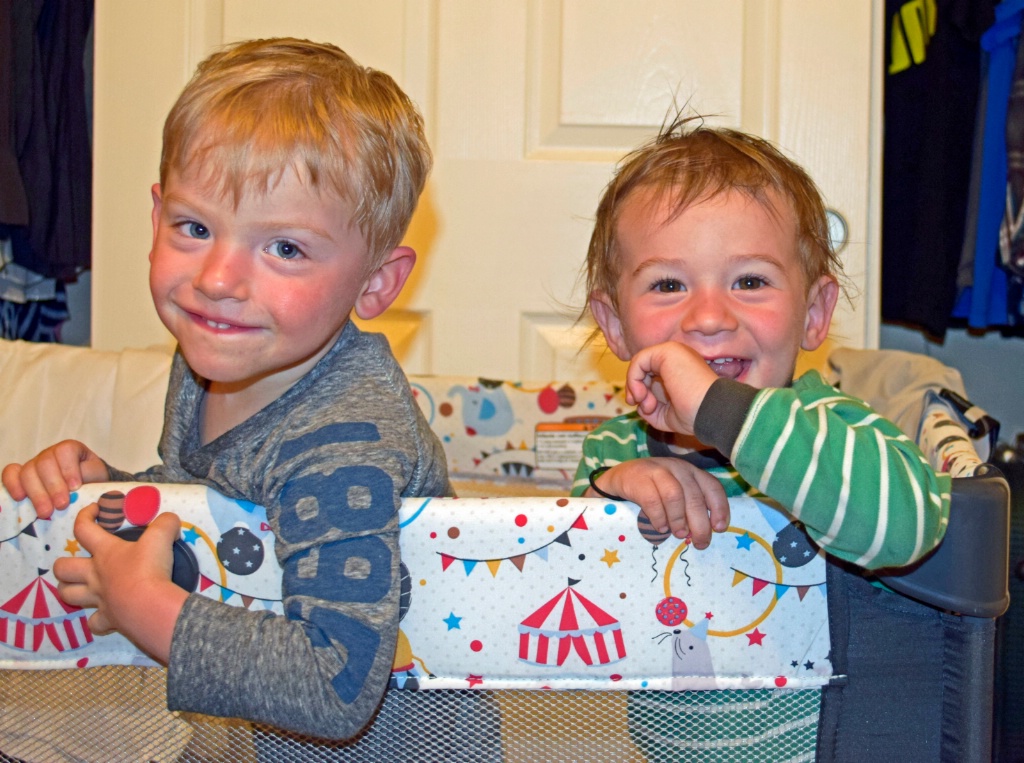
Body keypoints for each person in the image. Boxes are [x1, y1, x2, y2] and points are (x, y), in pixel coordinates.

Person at [1, 38, 451, 742]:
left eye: (285, 248)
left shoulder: (343, 443)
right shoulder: (213, 357)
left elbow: (336, 684)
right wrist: (115, 493)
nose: (217, 278)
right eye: (195, 227)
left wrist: (142, 602)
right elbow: (218, 505)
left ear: (376, 283)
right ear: (156, 218)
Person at [571, 115, 952, 761]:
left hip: (836, 745)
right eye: (669, 284)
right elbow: (568, 583)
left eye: (750, 280)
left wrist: (726, 412)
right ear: (613, 323)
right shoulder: (617, 449)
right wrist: (612, 493)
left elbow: (906, 526)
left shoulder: (837, 426)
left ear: (813, 314)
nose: (711, 316)